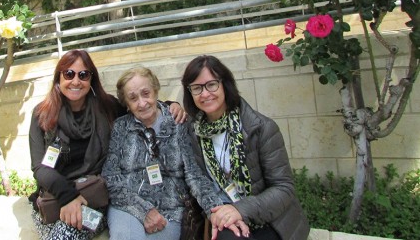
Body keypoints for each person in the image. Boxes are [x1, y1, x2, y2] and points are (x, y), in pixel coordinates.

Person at [29, 50, 185, 240]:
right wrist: (68, 197)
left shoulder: (106, 106)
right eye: (69, 74)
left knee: (64, 235)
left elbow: (139, 105)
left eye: (83, 75)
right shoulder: (42, 113)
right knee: (56, 233)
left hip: (96, 199)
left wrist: (170, 105)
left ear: (91, 79)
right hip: (58, 195)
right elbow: (40, 167)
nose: (76, 81)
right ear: (58, 78)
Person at [102, 66, 249, 240]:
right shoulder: (121, 127)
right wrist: (144, 210)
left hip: (169, 210)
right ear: (126, 103)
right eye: (133, 98)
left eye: (146, 93)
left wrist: (216, 212)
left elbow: (194, 176)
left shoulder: (178, 124)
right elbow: (110, 175)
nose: (142, 103)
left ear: (156, 91)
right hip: (128, 207)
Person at [181, 55, 310, 240]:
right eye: (196, 88)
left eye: (211, 84)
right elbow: (200, 184)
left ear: (225, 84)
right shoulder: (193, 133)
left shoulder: (261, 128)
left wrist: (239, 210)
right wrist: (218, 213)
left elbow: (284, 188)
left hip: (270, 218)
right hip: (224, 216)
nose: (205, 94)